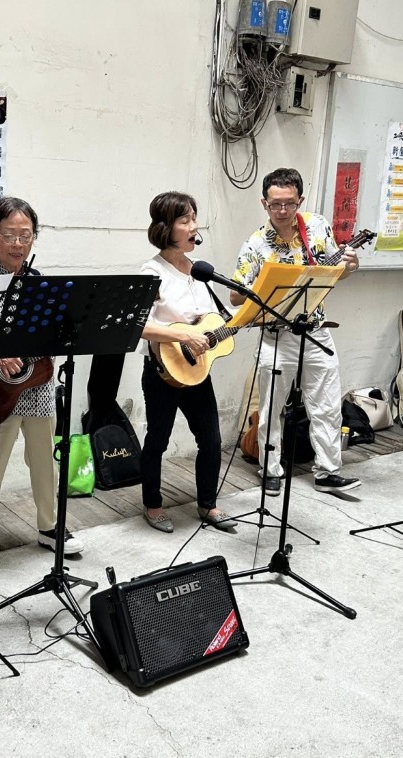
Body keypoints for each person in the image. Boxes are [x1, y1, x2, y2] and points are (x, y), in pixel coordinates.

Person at [0, 196, 85, 579]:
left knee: (45, 461)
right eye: (9, 235)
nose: (18, 244)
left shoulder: (41, 283)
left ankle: (49, 526)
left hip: (37, 386)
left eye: (26, 235)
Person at [231, 167, 361, 497]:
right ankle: (270, 469)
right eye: (275, 204)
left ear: (300, 200)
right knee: (270, 408)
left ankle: (328, 472)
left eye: (289, 203)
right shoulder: (255, 244)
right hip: (277, 336)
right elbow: (235, 295)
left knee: (327, 406)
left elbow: (335, 273)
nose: (282, 211)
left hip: (317, 330)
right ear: (264, 203)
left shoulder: (316, 226)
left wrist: (350, 267)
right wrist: (268, 286)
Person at [137, 191, 237, 533]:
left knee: (211, 439)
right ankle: (152, 505)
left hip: (197, 371)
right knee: (158, 440)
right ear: (166, 228)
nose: (194, 226)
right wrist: (181, 336)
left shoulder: (199, 271)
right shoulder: (152, 271)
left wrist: (247, 316)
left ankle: (208, 504)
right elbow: (139, 326)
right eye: (185, 220)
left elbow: (211, 321)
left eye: (194, 219)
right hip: (162, 372)